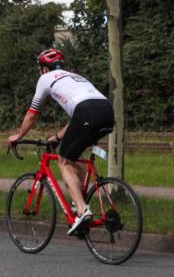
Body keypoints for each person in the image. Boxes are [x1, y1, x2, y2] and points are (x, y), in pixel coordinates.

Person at [7, 48, 114, 236]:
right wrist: (56, 138)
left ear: (44, 69)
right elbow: (76, 119)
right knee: (73, 157)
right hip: (106, 111)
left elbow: (33, 114)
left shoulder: (46, 79)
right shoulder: (75, 77)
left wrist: (19, 136)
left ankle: (82, 210)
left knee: (63, 160)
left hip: (86, 112)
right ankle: (80, 203)